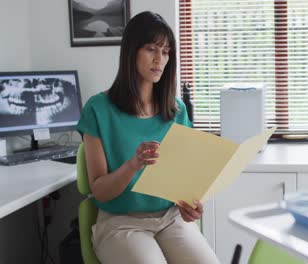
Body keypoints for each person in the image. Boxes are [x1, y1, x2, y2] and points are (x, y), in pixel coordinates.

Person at [76, 11, 220, 264]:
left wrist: (191, 204)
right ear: (131, 51)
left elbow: (184, 178)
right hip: (121, 223)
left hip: (170, 218)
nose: (160, 59)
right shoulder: (98, 109)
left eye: (165, 52)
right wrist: (134, 164)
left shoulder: (176, 110)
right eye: (151, 49)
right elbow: (99, 191)